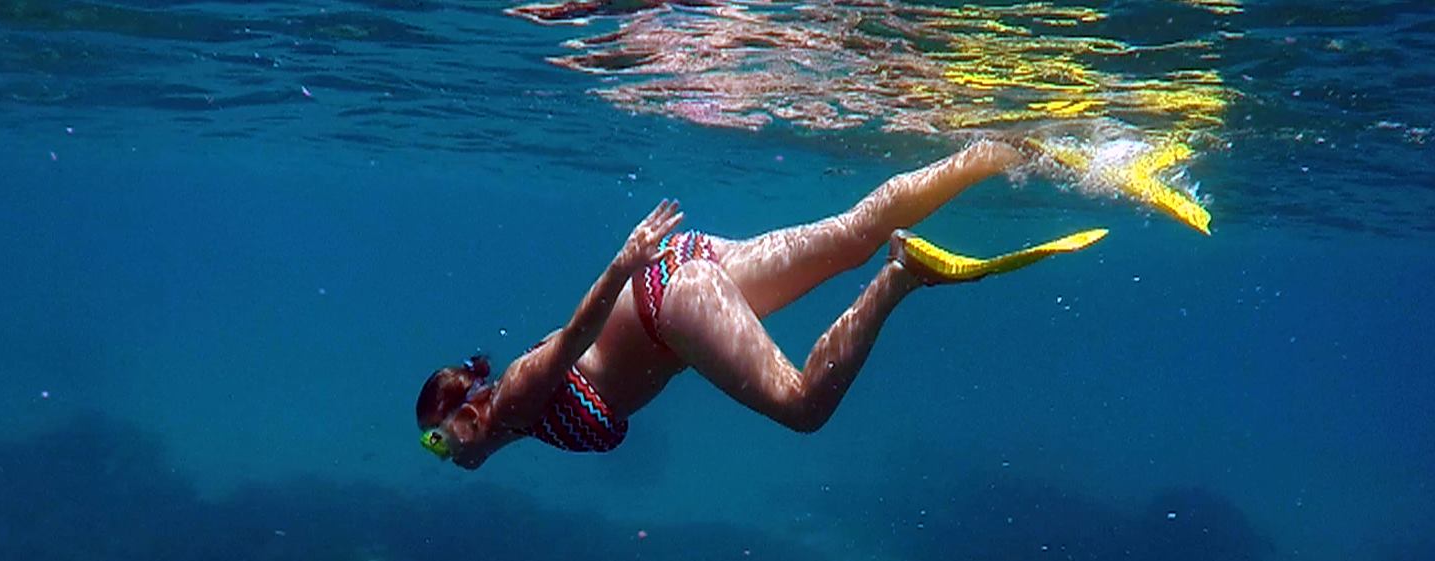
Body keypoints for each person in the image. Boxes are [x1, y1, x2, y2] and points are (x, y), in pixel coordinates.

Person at [415, 138, 1107, 469]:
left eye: (437, 439)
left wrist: (624, 261)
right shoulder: (498, 419)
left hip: (669, 303)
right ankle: (1004, 149)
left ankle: (902, 275)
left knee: (803, 405)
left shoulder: (514, 401)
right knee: (849, 233)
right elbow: (483, 443)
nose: (443, 455)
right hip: (682, 276)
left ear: (466, 412)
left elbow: (574, 338)